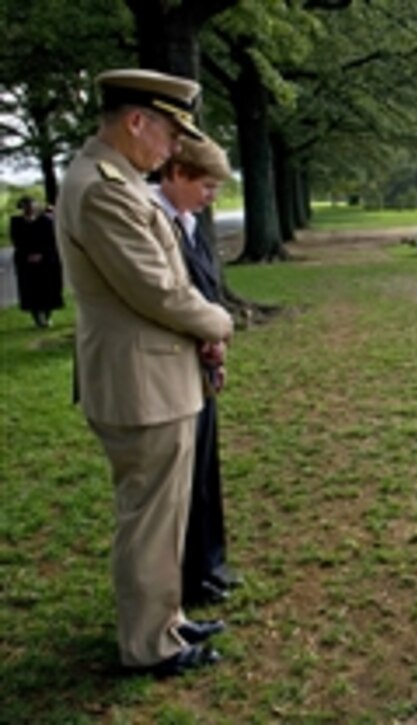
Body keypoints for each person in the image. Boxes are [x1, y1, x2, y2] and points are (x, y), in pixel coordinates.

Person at [54, 68, 234, 678]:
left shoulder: (115, 181)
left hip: (157, 376)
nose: (172, 150)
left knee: (166, 514)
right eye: (169, 134)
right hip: (140, 384)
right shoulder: (103, 189)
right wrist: (218, 323)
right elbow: (156, 290)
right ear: (137, 122)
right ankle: (147, 644)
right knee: (149, 520)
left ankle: (166, 619)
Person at [154, 136, 242, 607]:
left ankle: (211, 566)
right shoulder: (156, 223)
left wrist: (215, 351)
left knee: (206, 471)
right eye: (206, 186)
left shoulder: (187, 223)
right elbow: (169, 297)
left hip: (200, 361)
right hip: (170, 365)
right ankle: (190, 579)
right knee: (182, 482)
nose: (212, 197)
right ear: (176, 173)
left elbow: (205, 289)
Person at [10, 196, 64, 328]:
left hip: (46, 260)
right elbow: (17, 241)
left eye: (31, 205)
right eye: (26, 206)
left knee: (48, 288)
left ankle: (47, 315)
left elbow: (52, 240)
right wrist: (28, 255)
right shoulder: (17, 223)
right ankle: (37, 317)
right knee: (30, 290)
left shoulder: (46, 221)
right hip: (26, 261)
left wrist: (42, 255)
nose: (29, 208)